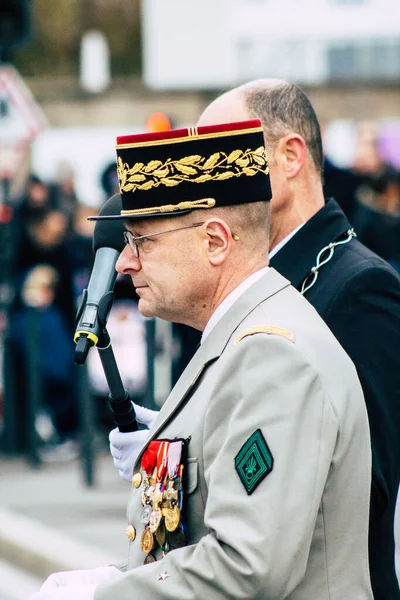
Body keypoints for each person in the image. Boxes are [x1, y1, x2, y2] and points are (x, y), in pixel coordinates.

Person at [32, 120, 373, 599]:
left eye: (142, 240)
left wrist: (107, 593)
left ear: (215, 241)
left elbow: (246, 565)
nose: (126, 263)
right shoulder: (242, 337)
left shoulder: (271, 356)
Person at [110, 79, 400, 599]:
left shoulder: (353, 291)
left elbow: (352, 491)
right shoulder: (243, 305)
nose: (125, 262)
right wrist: (177, 449)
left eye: (142, 240)